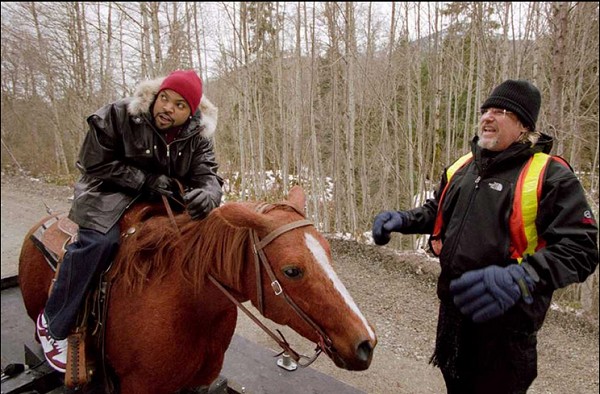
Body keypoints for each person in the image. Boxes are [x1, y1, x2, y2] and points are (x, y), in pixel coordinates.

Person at [372, 79, 598, 393]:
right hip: (453, 317)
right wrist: (403, 220)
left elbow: (582, 247)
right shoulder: (463, 167)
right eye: (486, 110)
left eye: (501, 111)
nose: (487, 117)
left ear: (523, 126)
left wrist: (523, 278)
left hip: (505, 330)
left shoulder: (549, 175)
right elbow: (438, 211)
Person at [36, 69, 224, 373]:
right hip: (107, 193)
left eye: (179, 105)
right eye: (165, 98)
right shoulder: (118, 114)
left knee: (191, 247)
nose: (167, 108)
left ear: (191, 112)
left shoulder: (197, 136)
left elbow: (208, 173)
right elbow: (91, 162)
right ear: (157, 94)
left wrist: (209, 193)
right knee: (99, 243)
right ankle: (53, 322)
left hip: (158, 200)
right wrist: (146, 180)